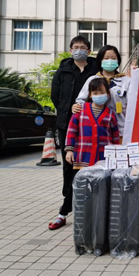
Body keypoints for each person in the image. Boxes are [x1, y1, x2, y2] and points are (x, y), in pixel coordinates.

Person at [49, 36, 98, 230]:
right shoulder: (63, 70)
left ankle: (81, 199)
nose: (79, 50)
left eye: (83, 47)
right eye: (76, 47)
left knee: (86, 162)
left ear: (89, 50)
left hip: (89, 123)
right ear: (70, 50)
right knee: (69, 163)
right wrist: (66, 109)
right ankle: (67, 198)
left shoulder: (95, 70)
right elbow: (55, 94)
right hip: (67, 122)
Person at [72, 45, 130, 140]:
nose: (110, 61)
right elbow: (81, 101)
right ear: (100, 60)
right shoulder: (92, 79)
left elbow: (133, 105)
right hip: (97, 129)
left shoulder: (126, 81)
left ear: (118, 60)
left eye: (113, 58)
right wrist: (76, 106)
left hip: (121, 130)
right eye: (106, 58)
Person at [64, 78, 120, 169]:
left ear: (108, 94)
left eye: (102, 92)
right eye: (95, 93)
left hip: (104, 159)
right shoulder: (80, 110)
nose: (99, 95)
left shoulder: (110, 114)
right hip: (83, 157)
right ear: (90, 95)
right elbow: (71, 131)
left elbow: (115, 136)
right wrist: (69, 150)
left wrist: (116, 152)